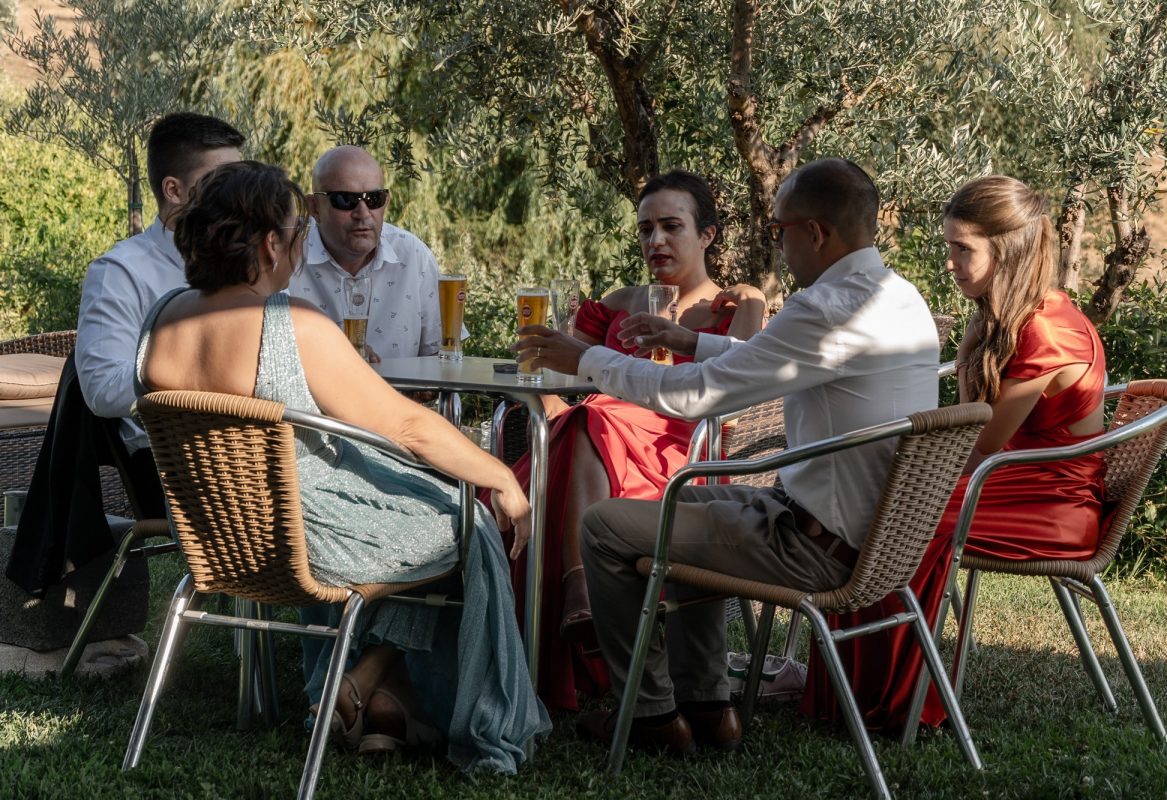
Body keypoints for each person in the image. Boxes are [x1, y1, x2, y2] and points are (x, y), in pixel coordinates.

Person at [513, 158, 941, 755]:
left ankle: (649, 714)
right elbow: (773, 359)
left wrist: (584, 359)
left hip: (812, 547)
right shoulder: (896, 296)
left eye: (778, 230)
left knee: (605, 526)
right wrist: (691, 340)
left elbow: (694, 396)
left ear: (815, 233)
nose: (777, 243)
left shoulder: (825, 307)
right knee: (685, 500)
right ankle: (709, 706)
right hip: (874, 541)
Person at [134, 160, 549, 771]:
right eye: (298, 231)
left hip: (217, 537)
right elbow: (406, 426)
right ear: (271, 244)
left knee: (424, 510)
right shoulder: (294, 324)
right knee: (466, 519)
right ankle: (442, 707)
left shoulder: (162, 320)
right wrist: (500, 475)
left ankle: (371, 685)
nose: (301, 244)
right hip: (306, 537)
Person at [801, 175, 1107, 732]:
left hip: (1054, 502)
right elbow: (976, 438)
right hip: (1008, 481)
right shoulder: (1010, 315)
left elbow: (980, 441)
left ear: (1006, 252)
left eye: (962, 249)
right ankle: (851, 690)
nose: (949, 263)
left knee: (904, 515)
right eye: (949, 247)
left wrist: (965, 358)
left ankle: (897, 704)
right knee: (887, 503)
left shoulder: (1046, 331)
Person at [492, 170, 767, 713]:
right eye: (645, 229)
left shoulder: (732, 309)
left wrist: (755, 300)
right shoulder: (618, 302)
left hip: (682, 456)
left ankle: (580, 594)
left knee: (590, 421)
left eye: (671, 227)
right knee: (586, 421)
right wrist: (550, 410)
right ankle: (575, 603)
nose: (655, 240)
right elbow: (556, 377)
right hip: (591, 444)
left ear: (707, 235)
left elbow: (744, 383)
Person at [75, 112, 244, 499]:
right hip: (174, 465)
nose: (238, 194)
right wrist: (206, 369)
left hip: (256, 447)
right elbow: (102, 389)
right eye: (223, 181)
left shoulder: (253, 259)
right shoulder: (120, 271)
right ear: (174, 190)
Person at [287, 145, 452, 361]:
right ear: (314, 207)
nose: (363, 213)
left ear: (386, 202)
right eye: (345, 200)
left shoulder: (413, 255)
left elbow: (440, 355)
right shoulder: (285, 256)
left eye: (374, 199)